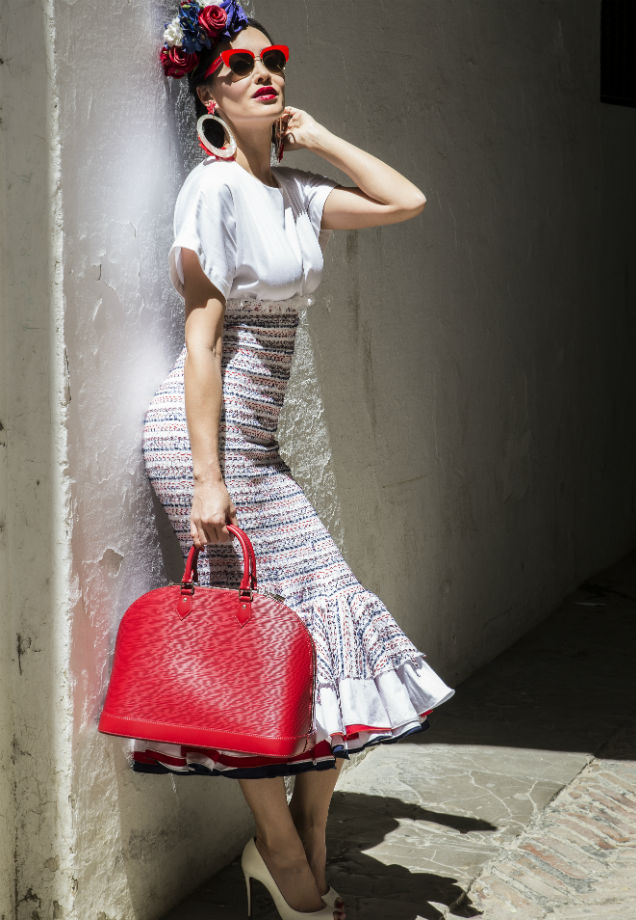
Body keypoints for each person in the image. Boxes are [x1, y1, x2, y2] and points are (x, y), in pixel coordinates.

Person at [134, 3, 455, 918]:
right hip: (205, 437)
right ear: (208, 97)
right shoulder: (212, 189)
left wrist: (317, 137)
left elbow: (406, 201)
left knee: (322, 631)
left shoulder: (295, 192)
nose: (263, 73)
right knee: (254, 647)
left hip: (258, 440)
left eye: (270, 59)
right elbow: (202, 341)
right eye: (238, 68)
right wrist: (208, 478)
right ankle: (278, 849)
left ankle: (303, 840)